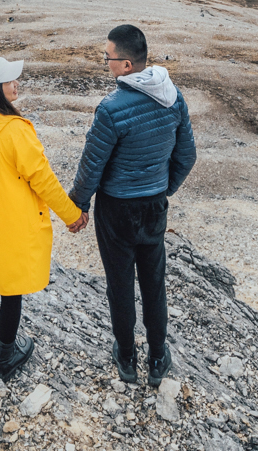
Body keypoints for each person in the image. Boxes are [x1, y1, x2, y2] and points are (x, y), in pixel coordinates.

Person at [68, 23, 196, 388]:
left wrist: (78, 205)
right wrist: (162, 190)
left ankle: (126, 357)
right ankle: (157, 358)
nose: (105, 62)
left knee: (120, 284)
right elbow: (187, 155)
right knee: (154, 283)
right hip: (154, 206)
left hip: (117, 211)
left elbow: (92, 166)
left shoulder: (110, 109)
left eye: (107, 57)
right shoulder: (174, 96)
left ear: (125, 65)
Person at [0, 54, 85, 378]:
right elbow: (43, 178)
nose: (17, 83)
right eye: (9, 80)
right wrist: (72, 215)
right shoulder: (15, 132)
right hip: (10, 222)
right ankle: (6, 355)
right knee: (11, 288)